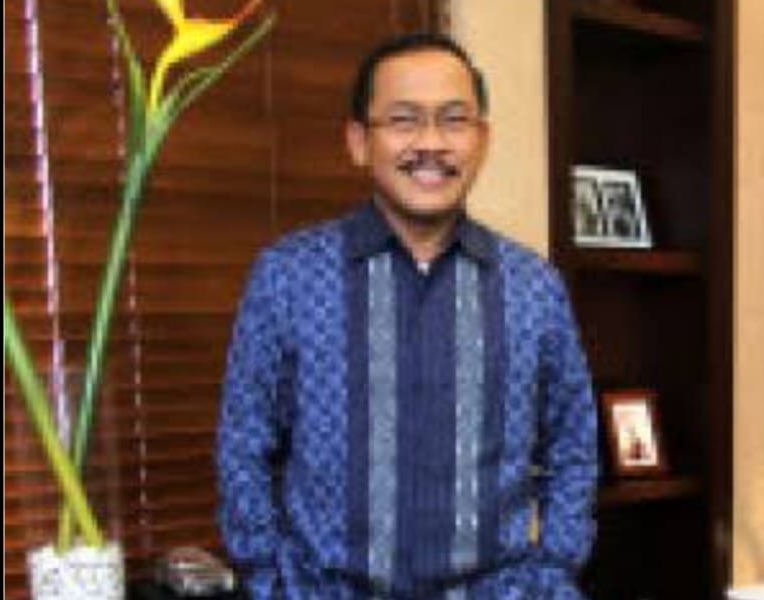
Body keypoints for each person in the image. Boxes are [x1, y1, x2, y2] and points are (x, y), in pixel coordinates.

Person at [217, 32, 599, 600]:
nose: (431, 143)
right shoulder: (287, 277)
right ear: (359, 141)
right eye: (403, 120)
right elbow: (243, 446)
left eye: (454, 120)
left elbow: (574, 445)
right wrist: (269, 582)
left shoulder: (534, 288)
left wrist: (554, 574)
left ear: (482, 139)